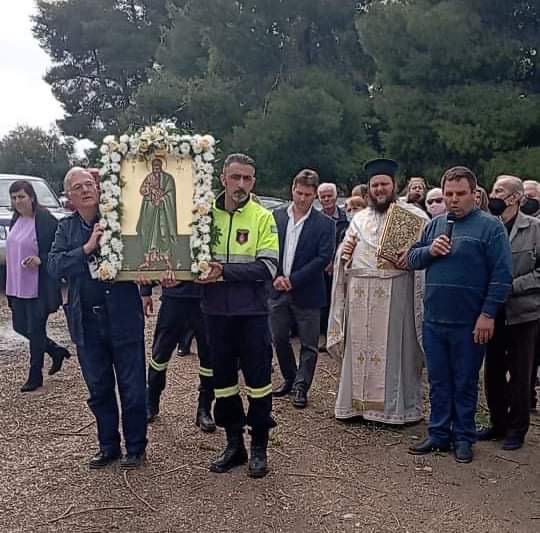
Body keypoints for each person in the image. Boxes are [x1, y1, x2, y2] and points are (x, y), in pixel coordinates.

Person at [407, 166, 513, 463]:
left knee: (465, 381)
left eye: (460, 194)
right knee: (439, 380)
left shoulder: (490, 227)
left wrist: (488, 314)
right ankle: (439, 433)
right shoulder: (435, 224)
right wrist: (431, 251)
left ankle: (463, 437)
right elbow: (412, 257)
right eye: (448, 194)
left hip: (470, 322)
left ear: (475, 194)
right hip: (434, 319)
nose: (453, 200)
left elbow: (502, 274)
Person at [48, 168, 147, 469]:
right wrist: (86, 248)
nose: (85, 190)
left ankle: (136, 447)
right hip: (87, 323)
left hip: (124, 317)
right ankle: (108, 446)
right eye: (77, 187)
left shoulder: (121, 221)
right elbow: (53, 266)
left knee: (132, 387)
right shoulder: (66, 229)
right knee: (100, 389)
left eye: (89, 184)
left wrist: (154, 280)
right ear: (70, 197)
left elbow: (145, 255)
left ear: (98, 188)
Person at [328, 158, 428, 425]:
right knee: (360, 349)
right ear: (369, 189)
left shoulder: (415, 217)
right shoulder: (359, 218)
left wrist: (409, 259)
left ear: (394, 185)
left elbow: (423, 261)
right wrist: (343, 257)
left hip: (396, 292)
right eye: (375, 185)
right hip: (360, 292)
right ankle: (355, 406)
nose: (379, 189)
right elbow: (346, 256)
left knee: (394, 349)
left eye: (384, 184)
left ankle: (395, 410)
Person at [197, 153, 279, 478]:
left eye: (247, 178)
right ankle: (234, 444)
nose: (241, 184)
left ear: (253, 182)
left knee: (259, 384)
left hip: (252, 314)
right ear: (223, 178)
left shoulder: (262, 217)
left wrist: (223, 272)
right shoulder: (203, 216)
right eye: (236, 178)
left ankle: (259, 445)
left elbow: (268, 266)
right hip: (215, 313)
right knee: (224, 384)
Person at [476, 176, 540, 450]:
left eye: (499, 191)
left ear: (515, 197)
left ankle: (517, 428)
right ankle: (498, 423)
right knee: (492, 371)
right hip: (492, 312)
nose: (493, 195)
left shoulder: (535, 229)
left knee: (521, 372)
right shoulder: (490, 227)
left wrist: (511, 286)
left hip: (524, 313)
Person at [270, 169, 335, 408]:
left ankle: (301, 386)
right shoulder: (276, 217)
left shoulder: (324, 224)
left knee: (309, 343)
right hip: (277, 289)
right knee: (278, 337)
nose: (302, 198)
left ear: (314, 195)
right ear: (292, 189)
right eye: (299, 192)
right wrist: (276, 276)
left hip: (307, 291)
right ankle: (289, 377)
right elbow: (266, 249)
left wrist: (294, 280)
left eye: (308, 194)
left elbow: (323, 258)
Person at [5, 180, 70, 392]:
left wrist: (40, 259)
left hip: (38, 286)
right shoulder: (16, 219)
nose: (18, 201)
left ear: (31, 197)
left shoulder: (44, 220)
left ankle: (35, 375)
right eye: (14, 198)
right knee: (20, 326)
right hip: (17, 284)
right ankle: (55, 350)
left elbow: (57, 250)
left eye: (21, 197)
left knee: (35, 328)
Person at [141, 281, 215, 432]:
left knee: (210, 358)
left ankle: (204, 408)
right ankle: (151, 401)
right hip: (174, 297)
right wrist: (145, 291)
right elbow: (155, 258)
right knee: (160, 354)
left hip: (207, 297)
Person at [317, 182, 348, 352]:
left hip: (340, 267)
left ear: (336, 197)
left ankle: (337, 338)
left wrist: (336, 262)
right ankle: (324, 338)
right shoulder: (316, 219)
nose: (327, 199)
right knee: (323, 304)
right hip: (321, 269)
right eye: (323, 196)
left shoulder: (346, 219)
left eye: (329, 195)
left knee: (338, 302)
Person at [137, 158, 177, 270]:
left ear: (161, 166)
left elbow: (170, 193)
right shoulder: (149, 178)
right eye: (154, 166)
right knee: (147, 232)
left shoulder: (168, 178)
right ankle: (148, 261)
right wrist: (150, 190)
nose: (155, 169)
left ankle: (166, 260)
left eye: (157, 166)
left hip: (162, 210)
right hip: (149, 209)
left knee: (163, 233)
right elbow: (142, 190)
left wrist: (162, 199)